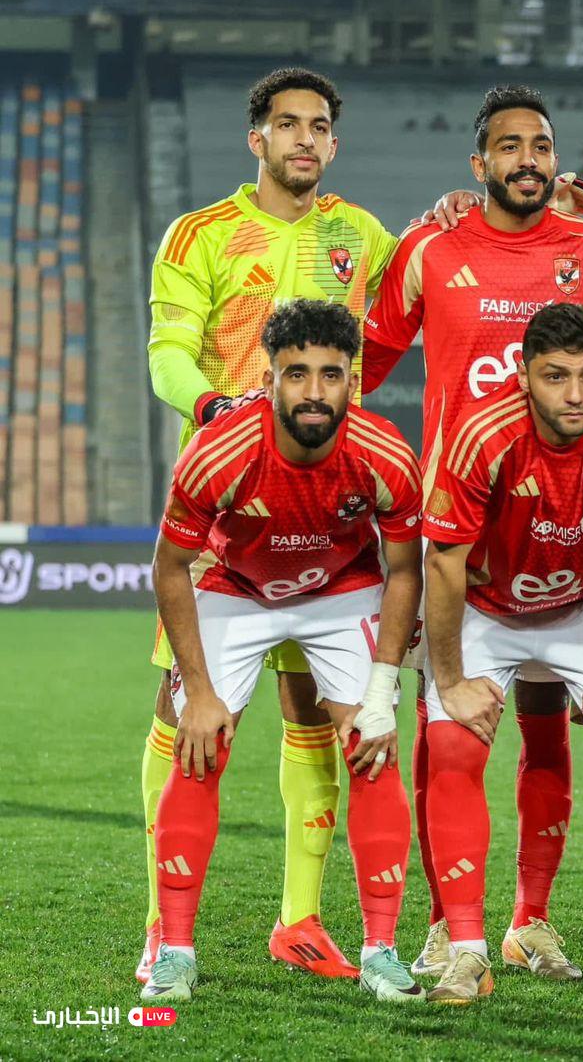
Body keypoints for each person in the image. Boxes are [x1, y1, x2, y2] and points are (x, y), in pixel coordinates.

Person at [139, 65, 477, 984]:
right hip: (229, 505)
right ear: (257, 139)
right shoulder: (202, 233)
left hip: (333, 512)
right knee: (183, 716)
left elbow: (429, 280)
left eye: (318, 126)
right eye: (286, 124)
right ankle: (161, 925)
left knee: (321, 722)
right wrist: (213, 406)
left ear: (333, 142)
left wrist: (466, 211)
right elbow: (167, 351)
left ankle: (301, 919)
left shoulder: (359, 234)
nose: (303, 138)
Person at [360, 84, 583, 982]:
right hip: (465, 536)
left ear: (556, 161)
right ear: (478, 163)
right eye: (509, 146)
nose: (527, 159)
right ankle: (450, 928)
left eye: (541, 145)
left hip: (576, 535)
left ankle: (532, 922)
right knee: (448, 728)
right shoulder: (429, 247)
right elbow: (362, 368)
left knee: (551, 729)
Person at [141, 300, 423, 1004]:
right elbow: (170, 567)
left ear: (352, 380)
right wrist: (199, 693)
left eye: (331, 374)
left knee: (373, 745)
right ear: (268, 377)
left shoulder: (387, 455)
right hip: (236, 586)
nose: (314, 392)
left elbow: (406, 571)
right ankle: (173, 950)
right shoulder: (220, 452)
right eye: (296, 374)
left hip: (341, 590)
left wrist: (381, 690)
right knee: (199, 743)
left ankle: (382, 952)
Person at [418, 304, 583, 1005]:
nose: (575, 395)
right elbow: (443, 564)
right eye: (555, 376)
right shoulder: (482, 432)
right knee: (453, 744)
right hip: (486, 606)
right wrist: (450, 680)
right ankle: (466, 953)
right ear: (524, 374)